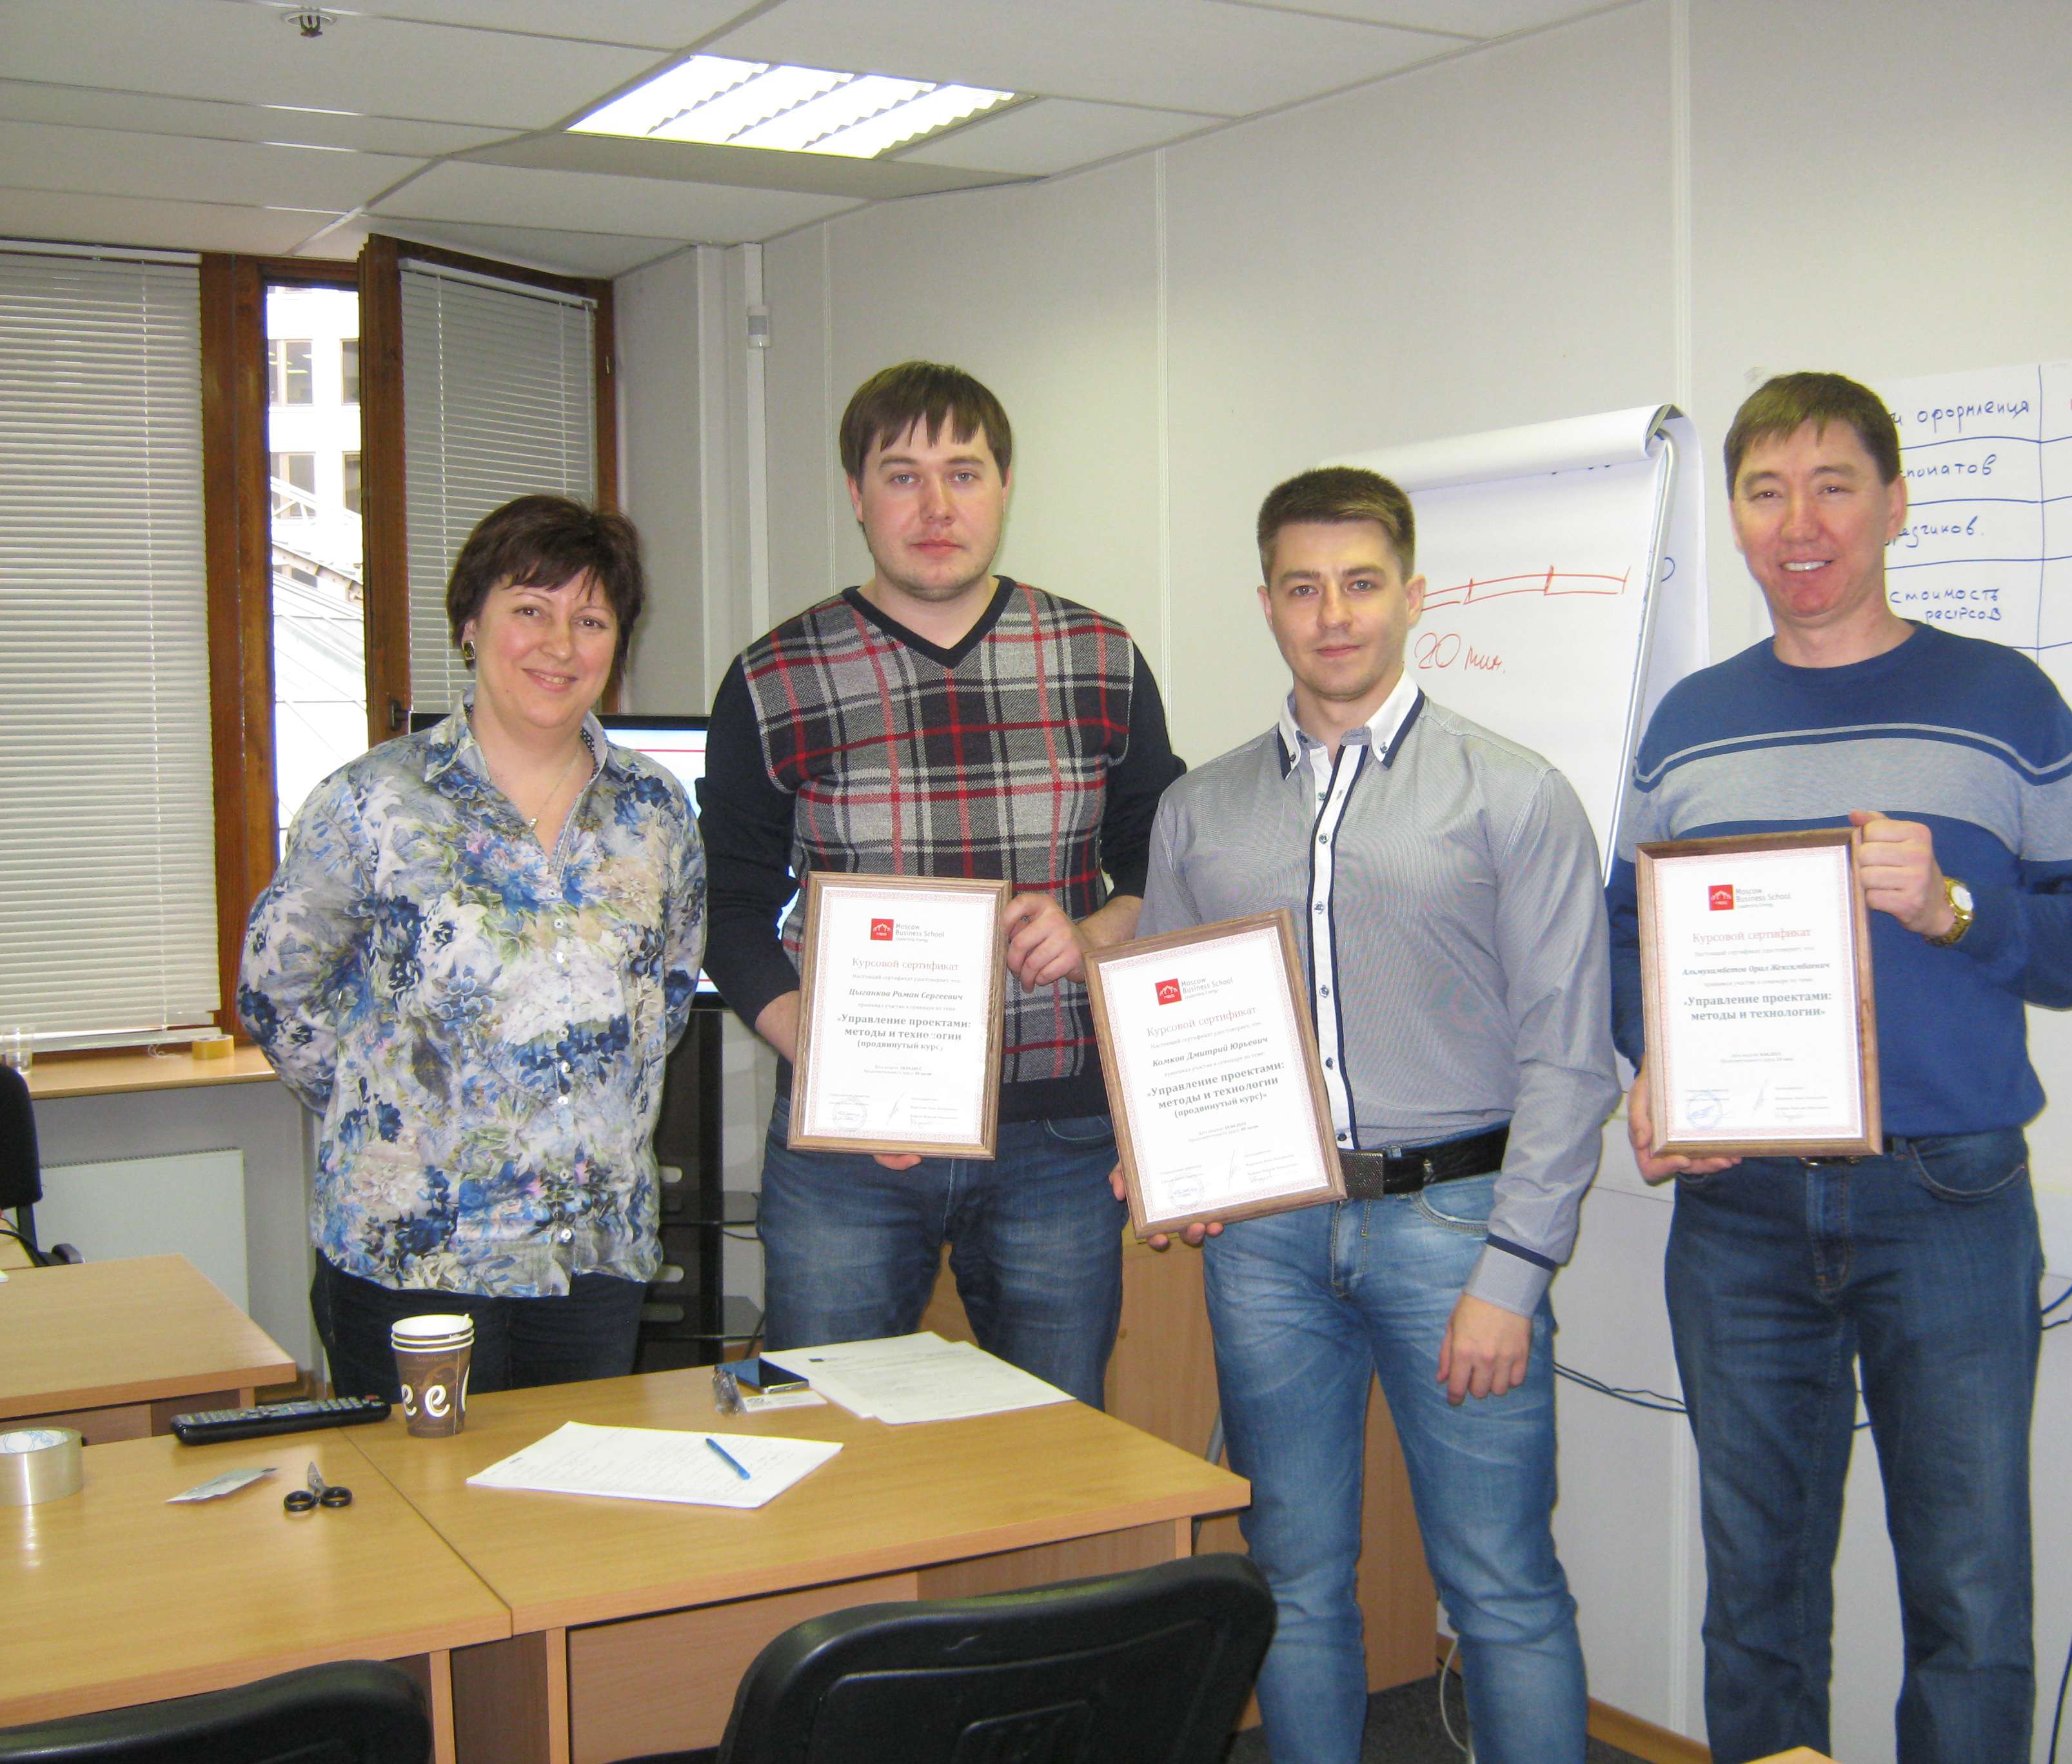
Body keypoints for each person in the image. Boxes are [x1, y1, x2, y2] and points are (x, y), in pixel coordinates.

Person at [1608, 373, 2072, 1764]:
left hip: (1948, 1202)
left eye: (1834, 486)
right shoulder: (1690, 722)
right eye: (1766, 491)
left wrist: (1957, 908)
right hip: (1738, 1205)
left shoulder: (2001, 700)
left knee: (1968, 1596)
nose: (1800, 524)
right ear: (1738, 518)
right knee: (1755, 1598)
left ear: (1895, 505)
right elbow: (1626, 938)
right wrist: (1652, 1067)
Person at [1129, 467, 1616, 1764]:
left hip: (1456, 1230)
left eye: (1360, 584)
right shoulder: (1198, 810)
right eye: (1303, 588)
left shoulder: (1513, 792)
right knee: (1292, 1577)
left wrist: (1514, 1272)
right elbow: (1168, 1018)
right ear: (1267, 605)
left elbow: (1571, 1058)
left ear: (1414, 595)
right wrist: (1167, 1157)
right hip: (1268, 1242)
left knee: (1500, 1587)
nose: (1332, 616)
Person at [699, 361, 1183, 1406]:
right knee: (830, 1436)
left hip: (1058, 1141)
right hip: (850, 1153)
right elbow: (728, 909)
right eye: (902, 475)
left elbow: (1166, 857)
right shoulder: (774, 677)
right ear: (856, 493)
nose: (935, 506)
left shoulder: (1099, 658)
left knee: (1051, 1444)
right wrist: (823, 1054)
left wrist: (1098, 931)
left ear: (1005, 487)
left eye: (963, 473)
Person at [240, 495, 705, 1402]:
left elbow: (668, 992)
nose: (559, 645)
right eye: (530, 610)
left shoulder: (656, 812)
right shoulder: (372, 801)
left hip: (591, 1252)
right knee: (421, 1490)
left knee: (572, 1484)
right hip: (414, 1252)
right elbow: (277, 990)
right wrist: (390, 1112)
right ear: (470, 626)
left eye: (591, 621)